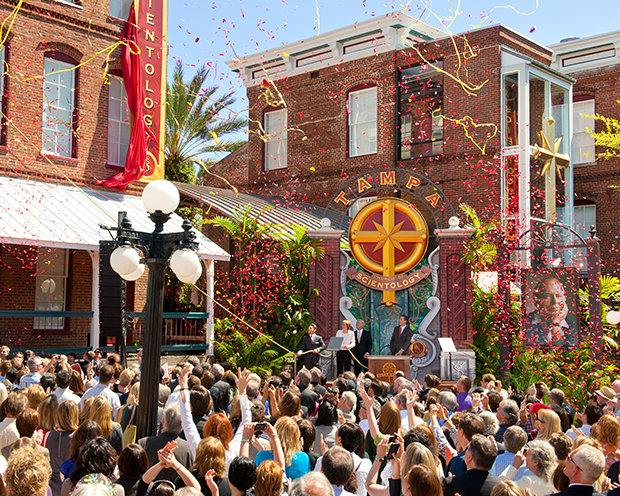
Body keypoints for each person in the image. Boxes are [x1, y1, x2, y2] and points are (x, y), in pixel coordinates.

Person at [525, 276, 575, 347]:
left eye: (558, 296)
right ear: (536, 300)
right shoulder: (524, 323)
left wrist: (556, 326)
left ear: (564, 299)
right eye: (547, 296)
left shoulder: (575, 326)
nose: (555, 301)